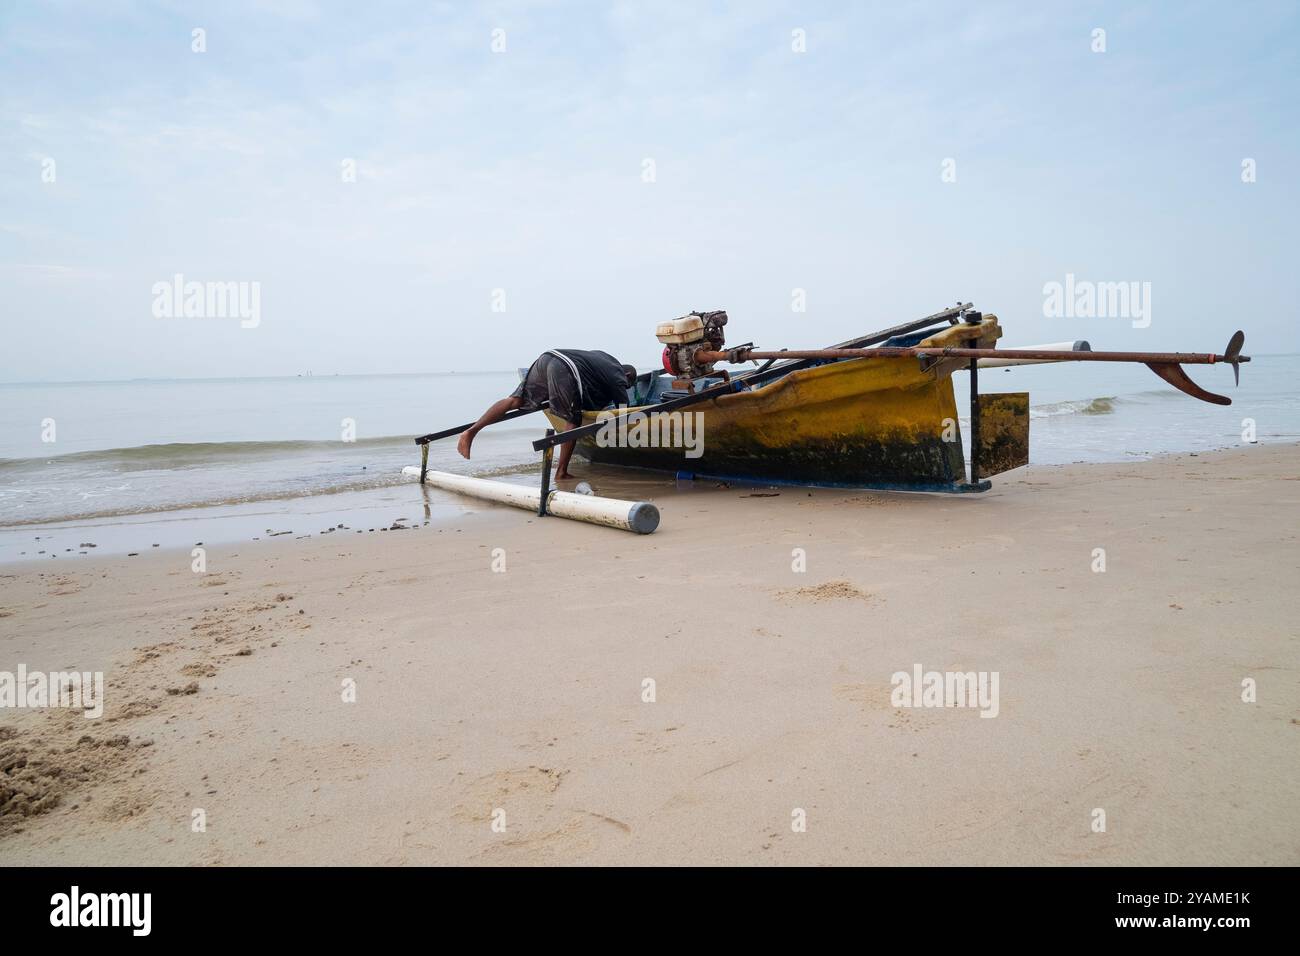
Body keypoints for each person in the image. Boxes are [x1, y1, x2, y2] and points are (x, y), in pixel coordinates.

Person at [457, 349, 637, 479]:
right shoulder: (618, 374)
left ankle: (471, 431)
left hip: (547, 358)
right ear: (627, 374)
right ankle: (561, 472)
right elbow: (623, 407)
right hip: (565, 368)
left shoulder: (605, 359)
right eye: (627, 384)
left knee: (515, 400)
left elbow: (588, 382)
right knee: (573, 418)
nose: (624, 386)